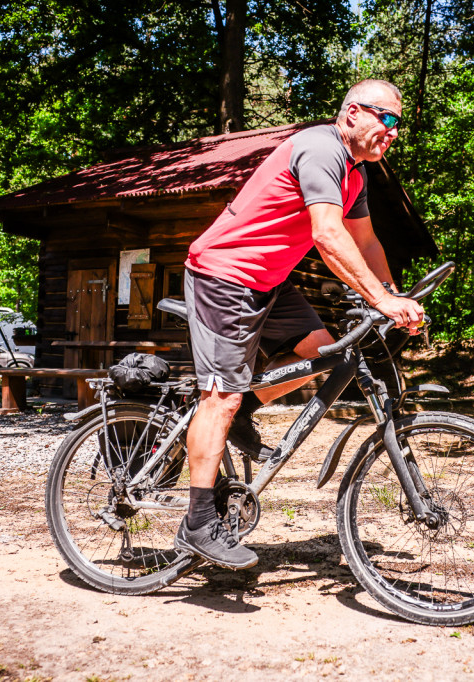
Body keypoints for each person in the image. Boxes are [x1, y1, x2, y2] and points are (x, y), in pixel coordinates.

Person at [173, 79, 425, 569]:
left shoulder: (355, 174)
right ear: (353, 113)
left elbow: (366, 242)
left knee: (320, 352)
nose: (393, 132)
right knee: (219, 396)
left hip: (268, 282)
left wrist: (393, 296)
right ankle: (198, 523)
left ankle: (242, 410)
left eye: (399, 124)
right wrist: (378, 298)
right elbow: (327, 235)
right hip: (224, 274)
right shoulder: (319, 148)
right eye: (386, 118)